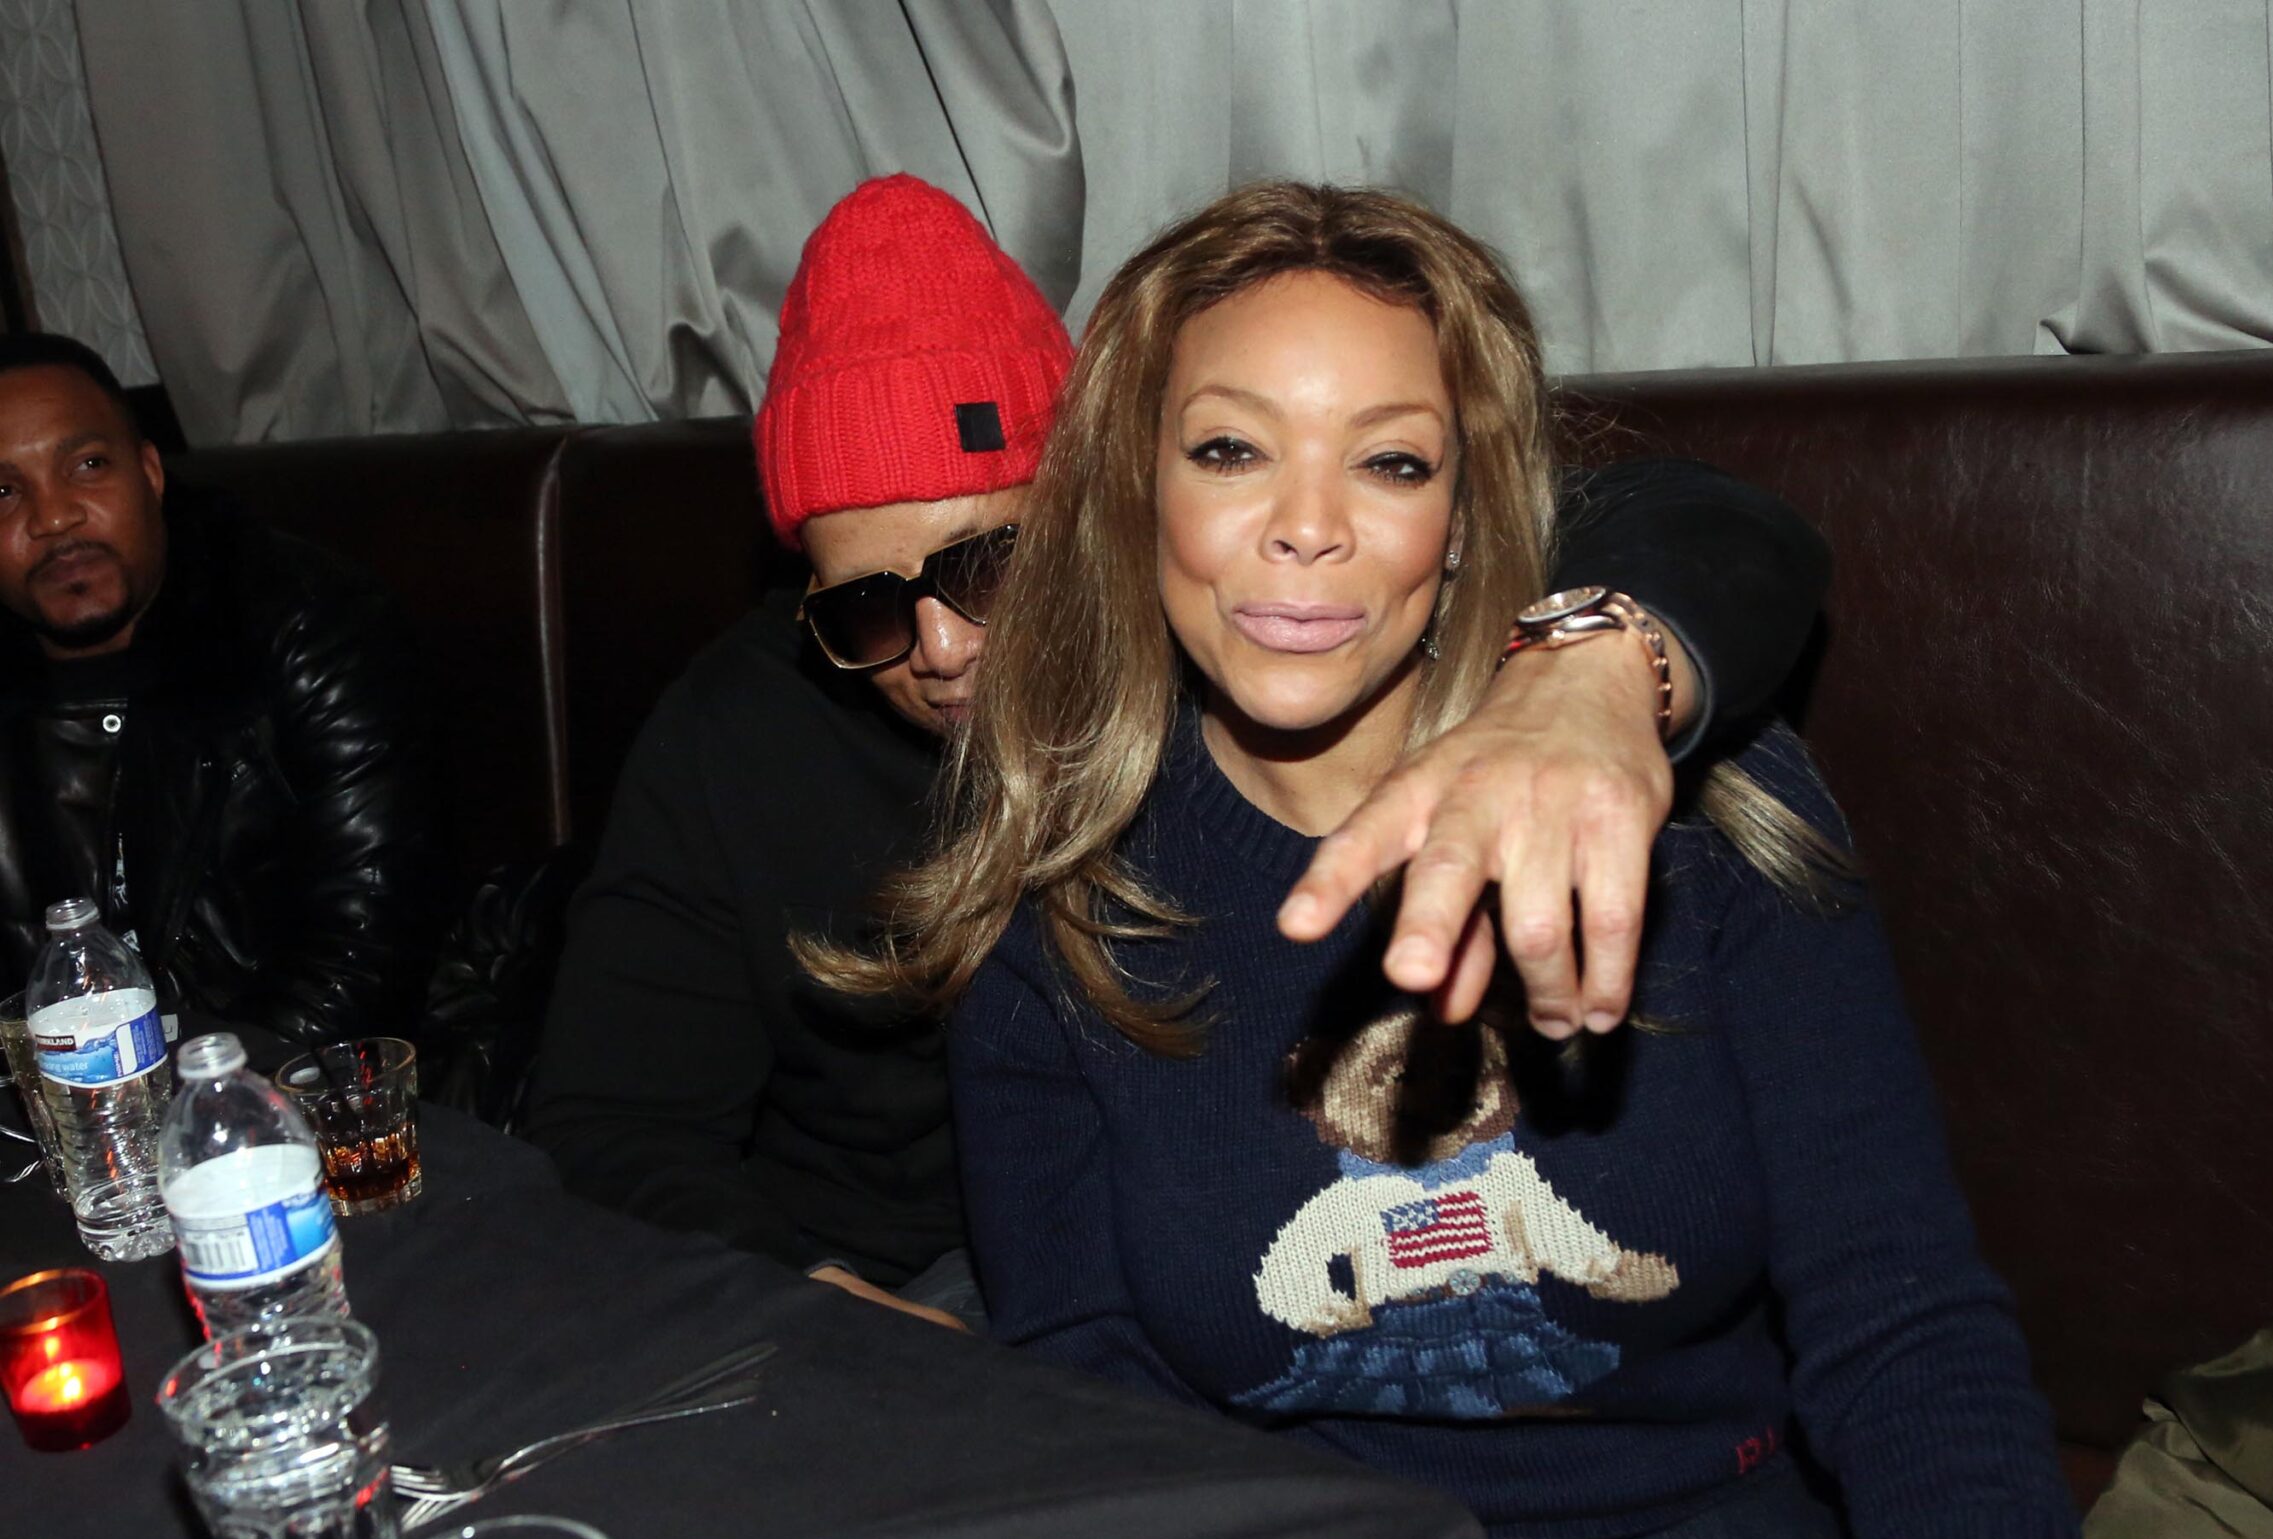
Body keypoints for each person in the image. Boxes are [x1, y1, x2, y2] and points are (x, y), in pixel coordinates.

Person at [822, 183, 2098, 1539]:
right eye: (1231, 449)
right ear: (1130, 496)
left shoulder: (1706, 821)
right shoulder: (1064, 897)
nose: (1308, 521)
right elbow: (1095, 1377)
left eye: (1391, 458)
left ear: (1470, 506)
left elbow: (1902, 1324)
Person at [527, 175, 1832, 1331]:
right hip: (886, 1285)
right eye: (864, 602)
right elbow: (612, 1120)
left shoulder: (1252, 628)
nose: (937, 646)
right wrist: (802, 1291)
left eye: (989, 562)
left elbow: (1702, 523)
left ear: (1111, 507)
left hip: (1204, 1265)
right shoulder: (745, 724)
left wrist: (1594, 674)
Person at [0, 331, 440, 1044]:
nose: (53, 518)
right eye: (4, 490)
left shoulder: (302, 630)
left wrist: (211, 1112)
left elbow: (367, 945)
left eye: (86, 464)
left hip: (299, 1095)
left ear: (150, 472)